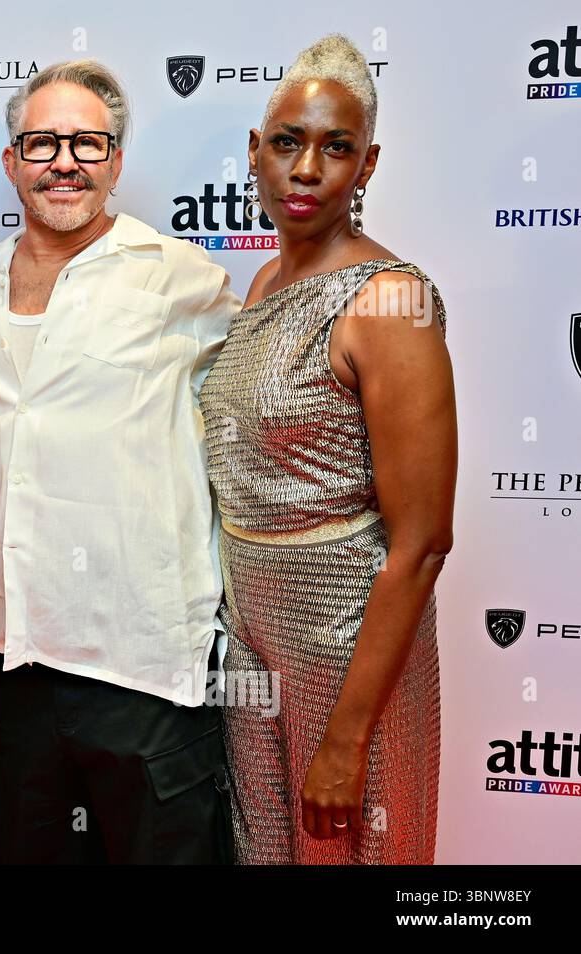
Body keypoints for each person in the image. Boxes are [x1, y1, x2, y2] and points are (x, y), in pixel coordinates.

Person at [0, 60, 241, 864]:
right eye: (42, 141)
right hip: (21, 660)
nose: (66, 160)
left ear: (117, 161)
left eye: (89, 142)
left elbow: (271, 390)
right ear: (12, 161)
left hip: (145, 664)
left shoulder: (180, 277)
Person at [198, 34, 455, 864]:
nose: (306, 169)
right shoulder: (262, 286)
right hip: (252, 634)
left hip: (350, 648)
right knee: (266, 849)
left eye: (335, 148)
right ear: (255, 153)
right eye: (287, 143)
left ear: (367, 165)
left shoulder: (389, 302)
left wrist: (347, 738)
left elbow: (420, 545)